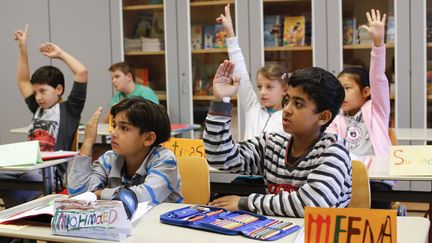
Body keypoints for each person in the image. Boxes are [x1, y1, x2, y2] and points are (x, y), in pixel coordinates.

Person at [204, 60, 351, 217]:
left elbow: (312, 204)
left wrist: (245, 203)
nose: (286, 110)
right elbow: (221, 158)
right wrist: (220, 101)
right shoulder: (272, 144)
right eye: (287, 100)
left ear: (323, 117)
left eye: (299, 104)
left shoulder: (334, 150)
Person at [0, 24, 88, 208]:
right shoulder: (37, 107)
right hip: (25, 168)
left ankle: (18, 224)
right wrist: (22, 47)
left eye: (43, 91)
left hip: (49, 174)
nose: (38, 97)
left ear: (58, 89)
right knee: (12, 185)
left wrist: (60, 54)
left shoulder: (69, 111)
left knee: (21, 187)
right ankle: (13, 227)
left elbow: (81, 72)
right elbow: (22, 80)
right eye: (35, 92)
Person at [325, 9, 392, 209]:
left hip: (377, 180)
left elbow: (378, 79)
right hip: (346, 181)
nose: (341, 94)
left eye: (347, 88)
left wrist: (378, 44)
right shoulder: (335, 119)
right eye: (339, 89)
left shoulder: (376, 110)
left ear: (365, 91)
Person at [68, 97, 183, 205]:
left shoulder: (165, 160)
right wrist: (88, 141)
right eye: (114, 126)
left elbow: (142, 198)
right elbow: (78, 194)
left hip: (159, 225)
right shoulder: (110, 158)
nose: (113, 133)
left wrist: (100, 193)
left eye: (124, 128)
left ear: (148, 138)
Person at [217, 4, 288, 140]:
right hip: (246, 161)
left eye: (269, 87)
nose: (262, 92)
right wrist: (230, 34)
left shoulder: (289, 117)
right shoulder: (253, 108)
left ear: (284, 89)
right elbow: (241, 74)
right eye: (259, 86)